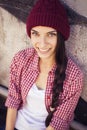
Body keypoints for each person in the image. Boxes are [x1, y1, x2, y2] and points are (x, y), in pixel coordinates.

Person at [5, 0, 83, 130]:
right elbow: (13, 100)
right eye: (36, 33)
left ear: (61, 36)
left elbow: (59, 121)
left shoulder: (73, 76)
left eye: (50, 34)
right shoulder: (21, 59)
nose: (42, 43)